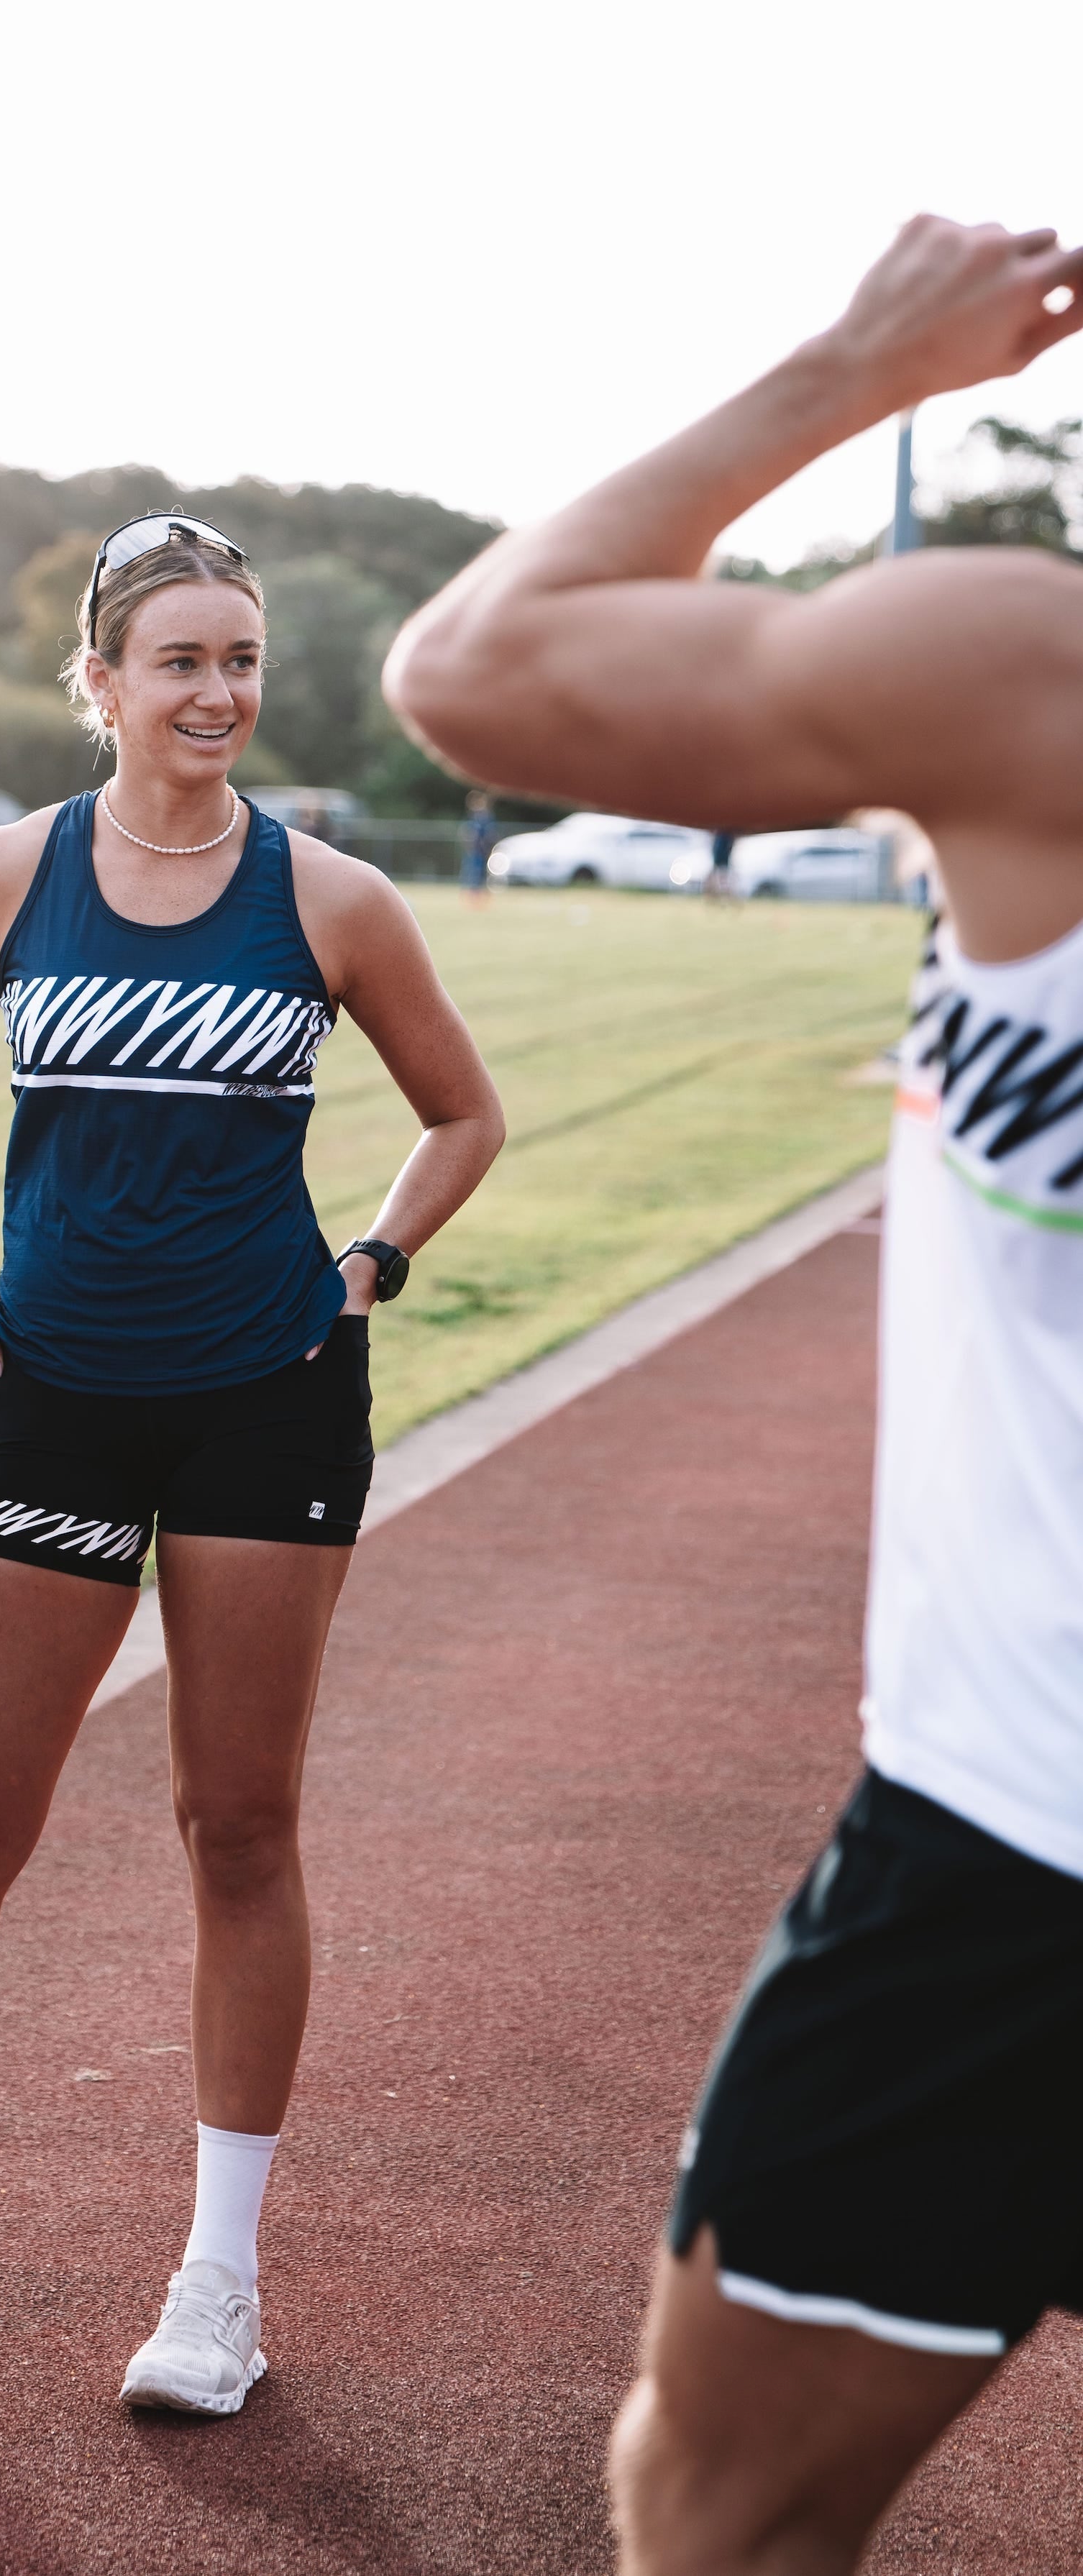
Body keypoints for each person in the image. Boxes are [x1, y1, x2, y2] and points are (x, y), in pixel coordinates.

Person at [383, 214, 1083, 2576]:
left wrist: (843, 369)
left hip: (1015, 1838)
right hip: (1007, 1821)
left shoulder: (1026, 669)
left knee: (715, 2515)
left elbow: (481, 668)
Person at [0, 512, 503, 2411]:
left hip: (264, 1399)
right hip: (46, 1386)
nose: (217, 692)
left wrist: (367, 1264)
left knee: (240, 1823)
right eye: (180, 660)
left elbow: (463, 1112)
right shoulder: (2, 872)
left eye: (240, 659)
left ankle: (218, 2281)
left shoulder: (335, 900)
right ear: (104, 683)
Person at [458, 790, 495, 900]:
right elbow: (467, 833)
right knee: (472, 871)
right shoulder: (474, 818)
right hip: (474, 850)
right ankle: (471, 893)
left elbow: (490, 834)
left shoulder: (485, 818)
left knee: (481, 872)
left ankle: (478, 893)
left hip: (482, 850)